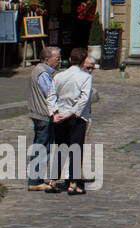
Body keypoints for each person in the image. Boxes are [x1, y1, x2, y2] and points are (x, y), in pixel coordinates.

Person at [45, 47, 95, 195]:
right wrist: (70, 114)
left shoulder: (59, 76)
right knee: (76, 150)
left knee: (60, 149)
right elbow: (84, 99)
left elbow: (51, 97)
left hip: (59, 117)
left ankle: (53, 181)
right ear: (83, 60)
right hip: (76, 118)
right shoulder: (85, 77)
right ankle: (73, 184)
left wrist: (54, 113)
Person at [27, 46, 60, 190]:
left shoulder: (42, 70)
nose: (59, 61)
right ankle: (35, 181)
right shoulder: (43, 73)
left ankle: (36, 178)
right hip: (43, 115)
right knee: (42, 147)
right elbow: (50, 94)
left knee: (41, 146)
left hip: (39, 114)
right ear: (47, 60)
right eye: (57, 58)